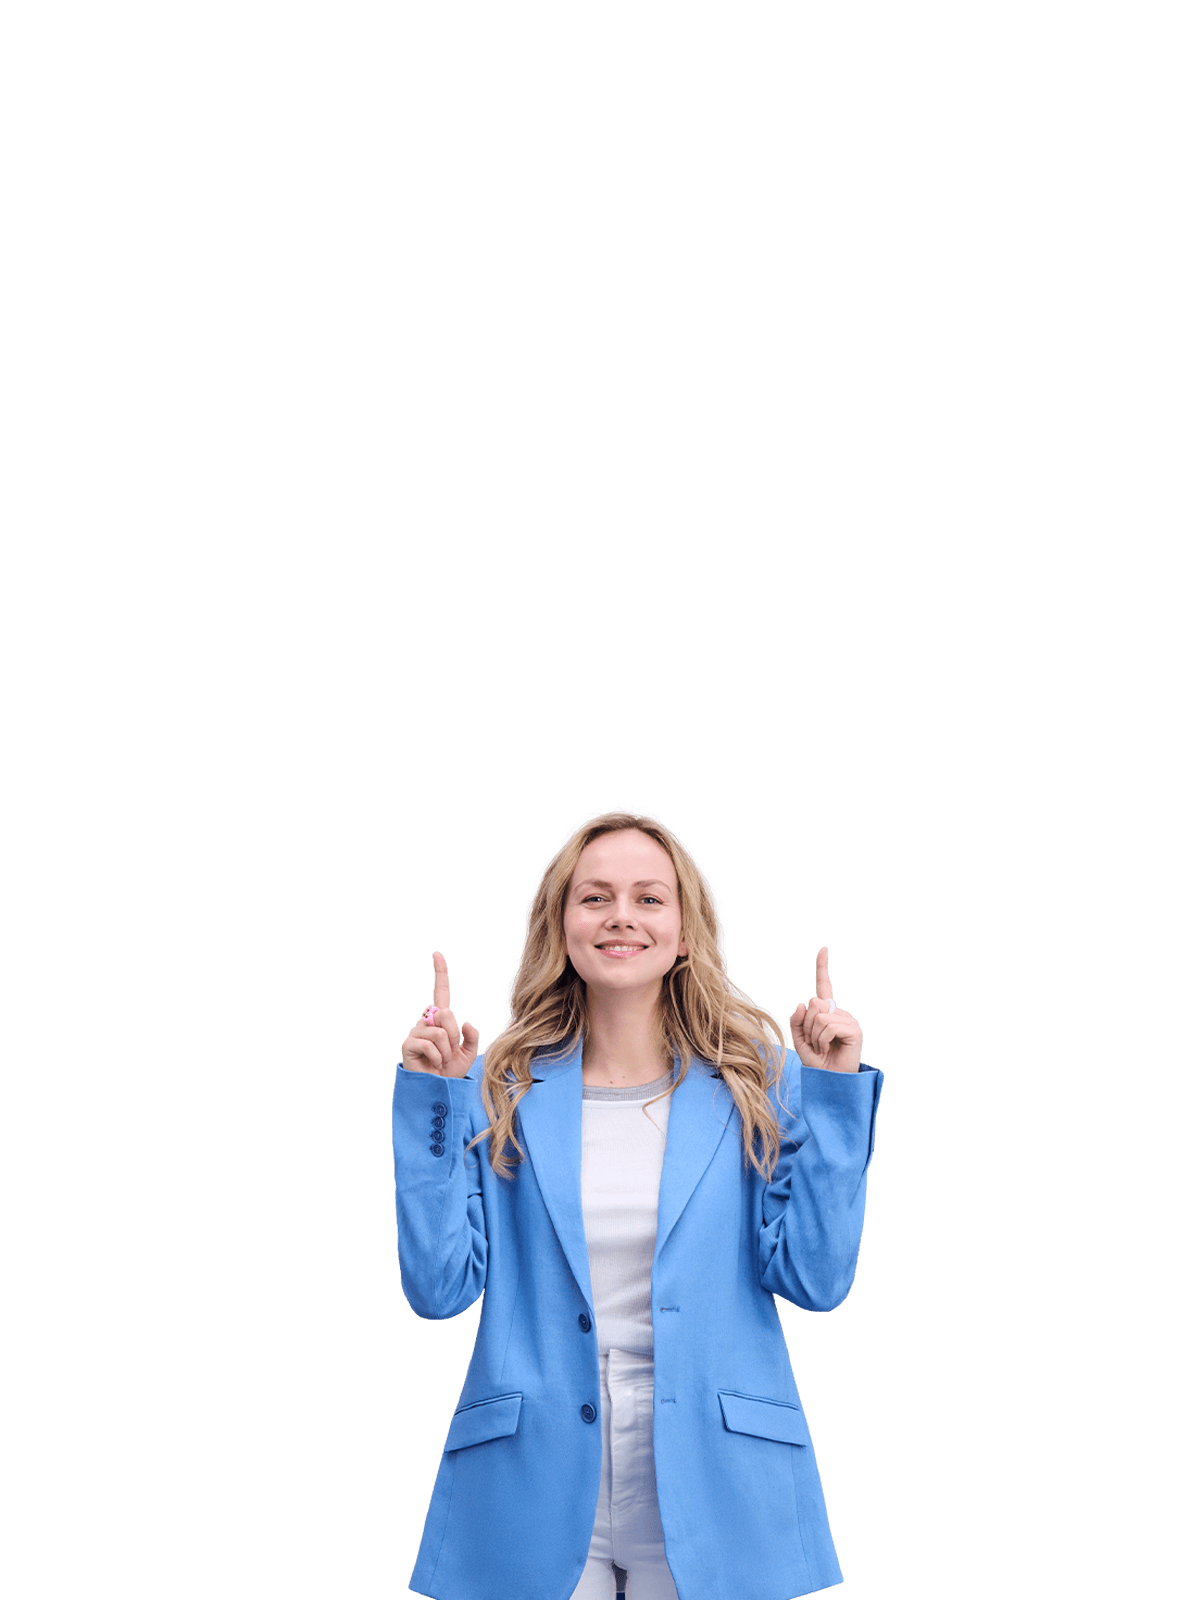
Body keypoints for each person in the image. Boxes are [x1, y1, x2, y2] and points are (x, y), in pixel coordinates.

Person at [393, 805, 884, 1600]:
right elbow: (439, 1286)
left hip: (718, 1480)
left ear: (684, 932)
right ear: (562, 925)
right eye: (595, 897)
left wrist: (830, 1092)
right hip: (532, 1483)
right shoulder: (497, 1086)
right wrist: (433, 1101)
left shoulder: (755, 1081)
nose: (621, 916)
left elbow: (817, 1279)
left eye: (649, 898)